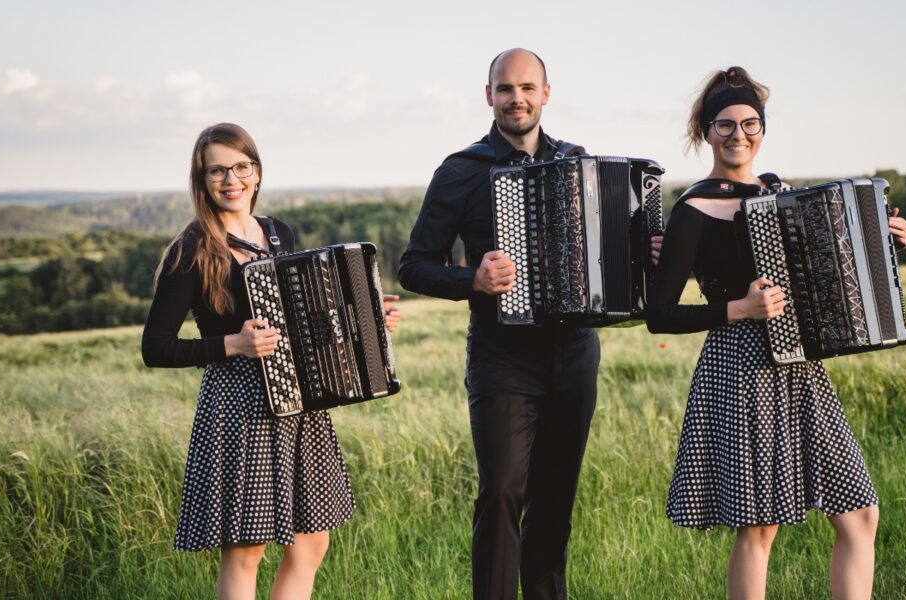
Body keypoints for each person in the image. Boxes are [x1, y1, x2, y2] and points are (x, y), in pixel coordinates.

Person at [644, 67, 906, 600]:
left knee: (860, 513)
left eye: (750, 123)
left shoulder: (781, 193)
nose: (738, 135)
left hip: (800, 364)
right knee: (759, 526)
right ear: (705, 131)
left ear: (762, 128)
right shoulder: (693, 210)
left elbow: (828, 268)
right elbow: (660, 315)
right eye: (724, 125)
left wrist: (884, 240)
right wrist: (738, 308)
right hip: (740, 366)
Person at [142, 122, 401, 600]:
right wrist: (231, 345)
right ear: (201, 181)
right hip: (240, 407)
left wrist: (365, 313)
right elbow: (155, 347)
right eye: (216, 171)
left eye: (241, 167)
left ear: (257, 173)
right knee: (246, 552)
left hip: (300, 402)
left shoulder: (279, 233)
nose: (230, 180)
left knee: (311, 542)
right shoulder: (192, 249)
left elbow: (301, 317)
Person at [399, 48, 614, 600]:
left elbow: (607, 243)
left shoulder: (577, 161)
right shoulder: (461, 171)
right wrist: (472, 278)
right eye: (504, 89)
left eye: (526, 88)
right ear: (488, 95)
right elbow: (414, 265)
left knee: (555, 498)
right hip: (503, 357)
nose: (515, 98)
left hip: (573, 354)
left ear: (546, 93)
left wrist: (644, 246)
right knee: (501, 492)